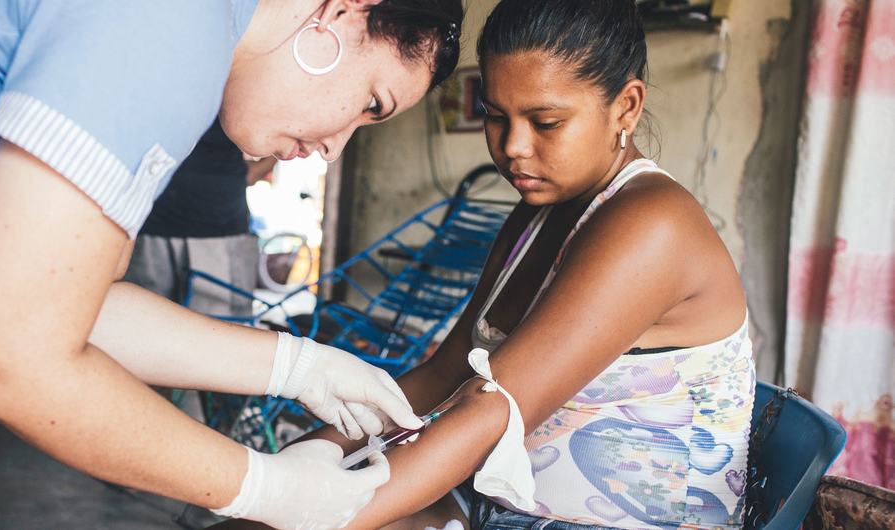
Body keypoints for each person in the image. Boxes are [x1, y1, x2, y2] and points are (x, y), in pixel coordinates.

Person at [0, 1, 464, 529]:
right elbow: (5, 354)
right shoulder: (168, 32)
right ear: (342, 13)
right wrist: (261, 487)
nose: (334, 147)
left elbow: (70, 301)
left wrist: (299, 367)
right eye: (370, 103)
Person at [211, 0, 754, 529]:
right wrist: (279, 477)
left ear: (626, 107)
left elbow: (491, 410)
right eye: (496, 116)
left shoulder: (654, 224)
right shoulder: (537, 215)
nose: (513, 146)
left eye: (546, 122)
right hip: (502, 507)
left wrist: (301, 514)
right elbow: (442, 378)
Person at [125, 119, 272, 319]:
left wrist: (258, 168)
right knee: (138, 324)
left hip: (217, 230)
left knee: (222, 329)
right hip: (154, 226)